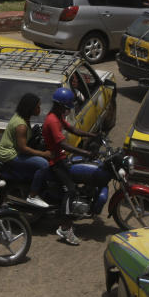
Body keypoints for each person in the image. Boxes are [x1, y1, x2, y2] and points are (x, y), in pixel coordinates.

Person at [42, 87, 99, 246]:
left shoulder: (57, 116)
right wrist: (85, 152)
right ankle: (65, 228)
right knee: (71, 189)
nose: (68, 111)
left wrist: (92, 135)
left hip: (61, 158)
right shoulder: (52, 120)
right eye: (67, 108)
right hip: (55, 162)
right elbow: (62, 144)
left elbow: (72, 129)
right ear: (60, 105)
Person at [0, 93, 51, 209]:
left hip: (14, 151)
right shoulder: (21, 125)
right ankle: (33, 195)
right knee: (44, 164)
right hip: (10, 155)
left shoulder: (22, 117)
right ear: (30, 108)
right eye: (37, 107)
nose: (39, 109)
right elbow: (23, 148)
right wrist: (44, 154)